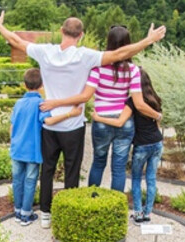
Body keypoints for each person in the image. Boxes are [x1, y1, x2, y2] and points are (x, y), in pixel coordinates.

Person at [0, 10, 166, 228]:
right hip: (74, 124)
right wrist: (148, 40)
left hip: (50, 123)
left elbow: (16, 40)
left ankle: (45, 214)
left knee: (48, 170)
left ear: (61, 31)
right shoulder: (86, 56)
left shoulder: (45, 52)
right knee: (74, 171)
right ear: (81, 35)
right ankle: (73, 212)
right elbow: (120, 54)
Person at [40, 25, 162, 193]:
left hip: (101, 119)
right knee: (119, 167)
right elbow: (139, 103)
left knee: (98, 162)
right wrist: (158, 115)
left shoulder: (97, 68)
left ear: (109, 43)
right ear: (128, 43)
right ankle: (115, 205)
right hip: (124, 121)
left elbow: (86, 95)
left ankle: (94, 200)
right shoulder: (133, 70)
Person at [9, 68, 81, 225]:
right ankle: (26, 214)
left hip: (16, 149)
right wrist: (71, 114)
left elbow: (12, 127)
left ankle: (17, 211)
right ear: (42, 85)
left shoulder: (18, 103)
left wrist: (12, 143)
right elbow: (49, 121)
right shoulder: (41, 104)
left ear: (24, 85)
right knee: (30, 181)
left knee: (17, 180)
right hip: (32, 150)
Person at [92, 69, 164, 223]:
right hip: (157, 143)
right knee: (150, 178)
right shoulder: (155, 100)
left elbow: (119, 122)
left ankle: (137, 213)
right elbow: (157, 123)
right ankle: (146, 214)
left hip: (141, 146)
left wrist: (98, 117)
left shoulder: (133, 102)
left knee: (135, 178)